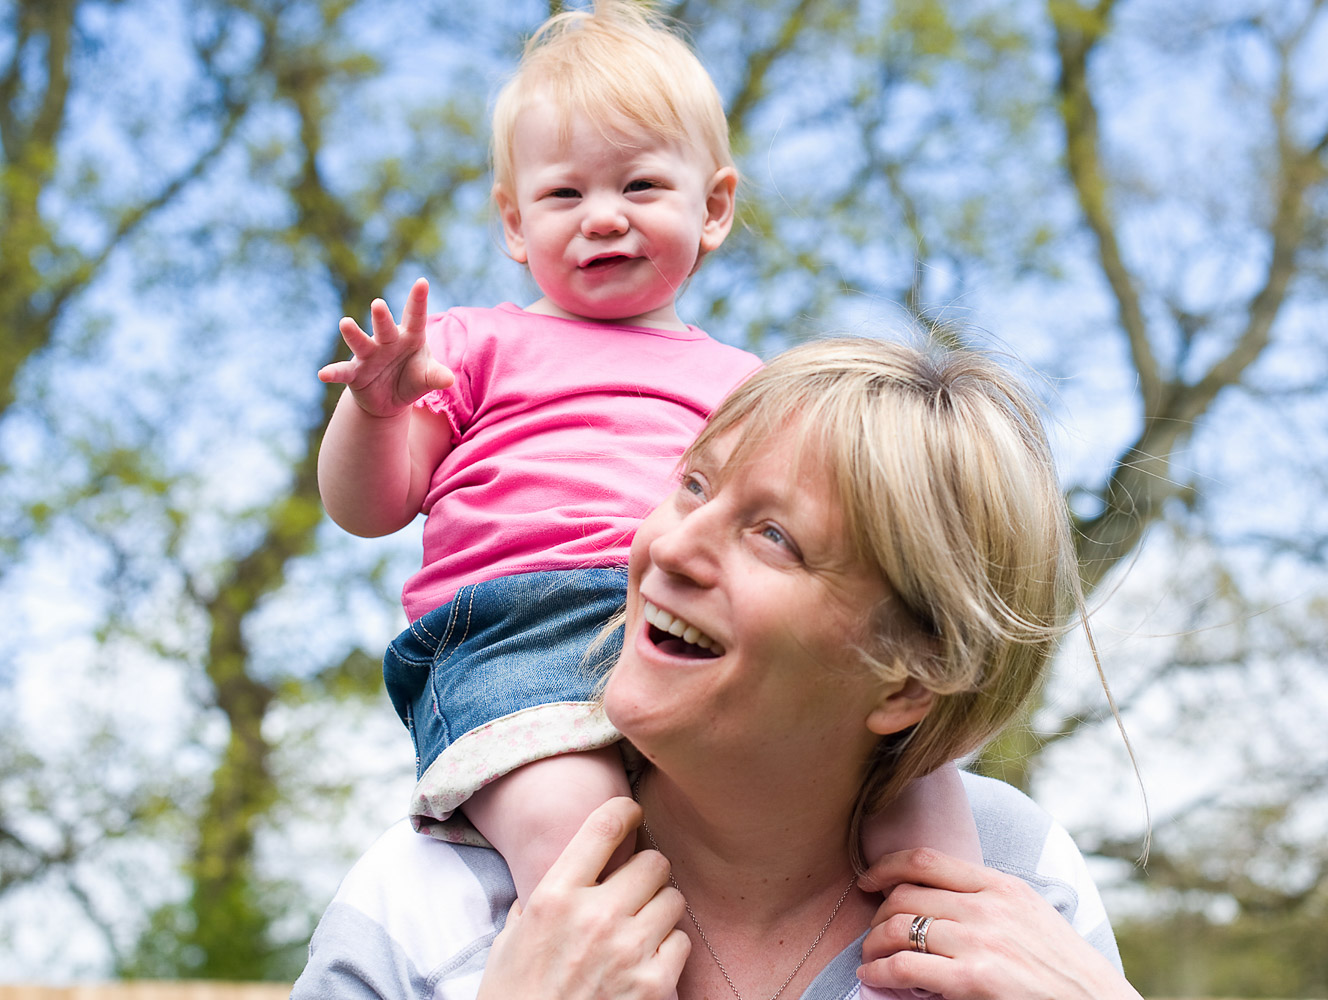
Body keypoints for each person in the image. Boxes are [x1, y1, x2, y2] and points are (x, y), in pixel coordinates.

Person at [314, 0, 983, 914]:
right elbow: (369, 508)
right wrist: (375, 412)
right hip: (516, 629)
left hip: (704, 628)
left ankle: (941, 923)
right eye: (563, 195)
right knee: (579, 840)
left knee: (911, 765)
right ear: (514, 225)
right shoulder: (471, 346)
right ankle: (611, 961)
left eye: (638, 188)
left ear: (712, 208)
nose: (601, 218)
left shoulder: (750, 383)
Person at [293, 338, 1145, 1000]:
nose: (670, 544)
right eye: (695, 486)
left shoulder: (1022, 879)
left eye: (775, 537)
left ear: (909, 681)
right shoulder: (426, 897)